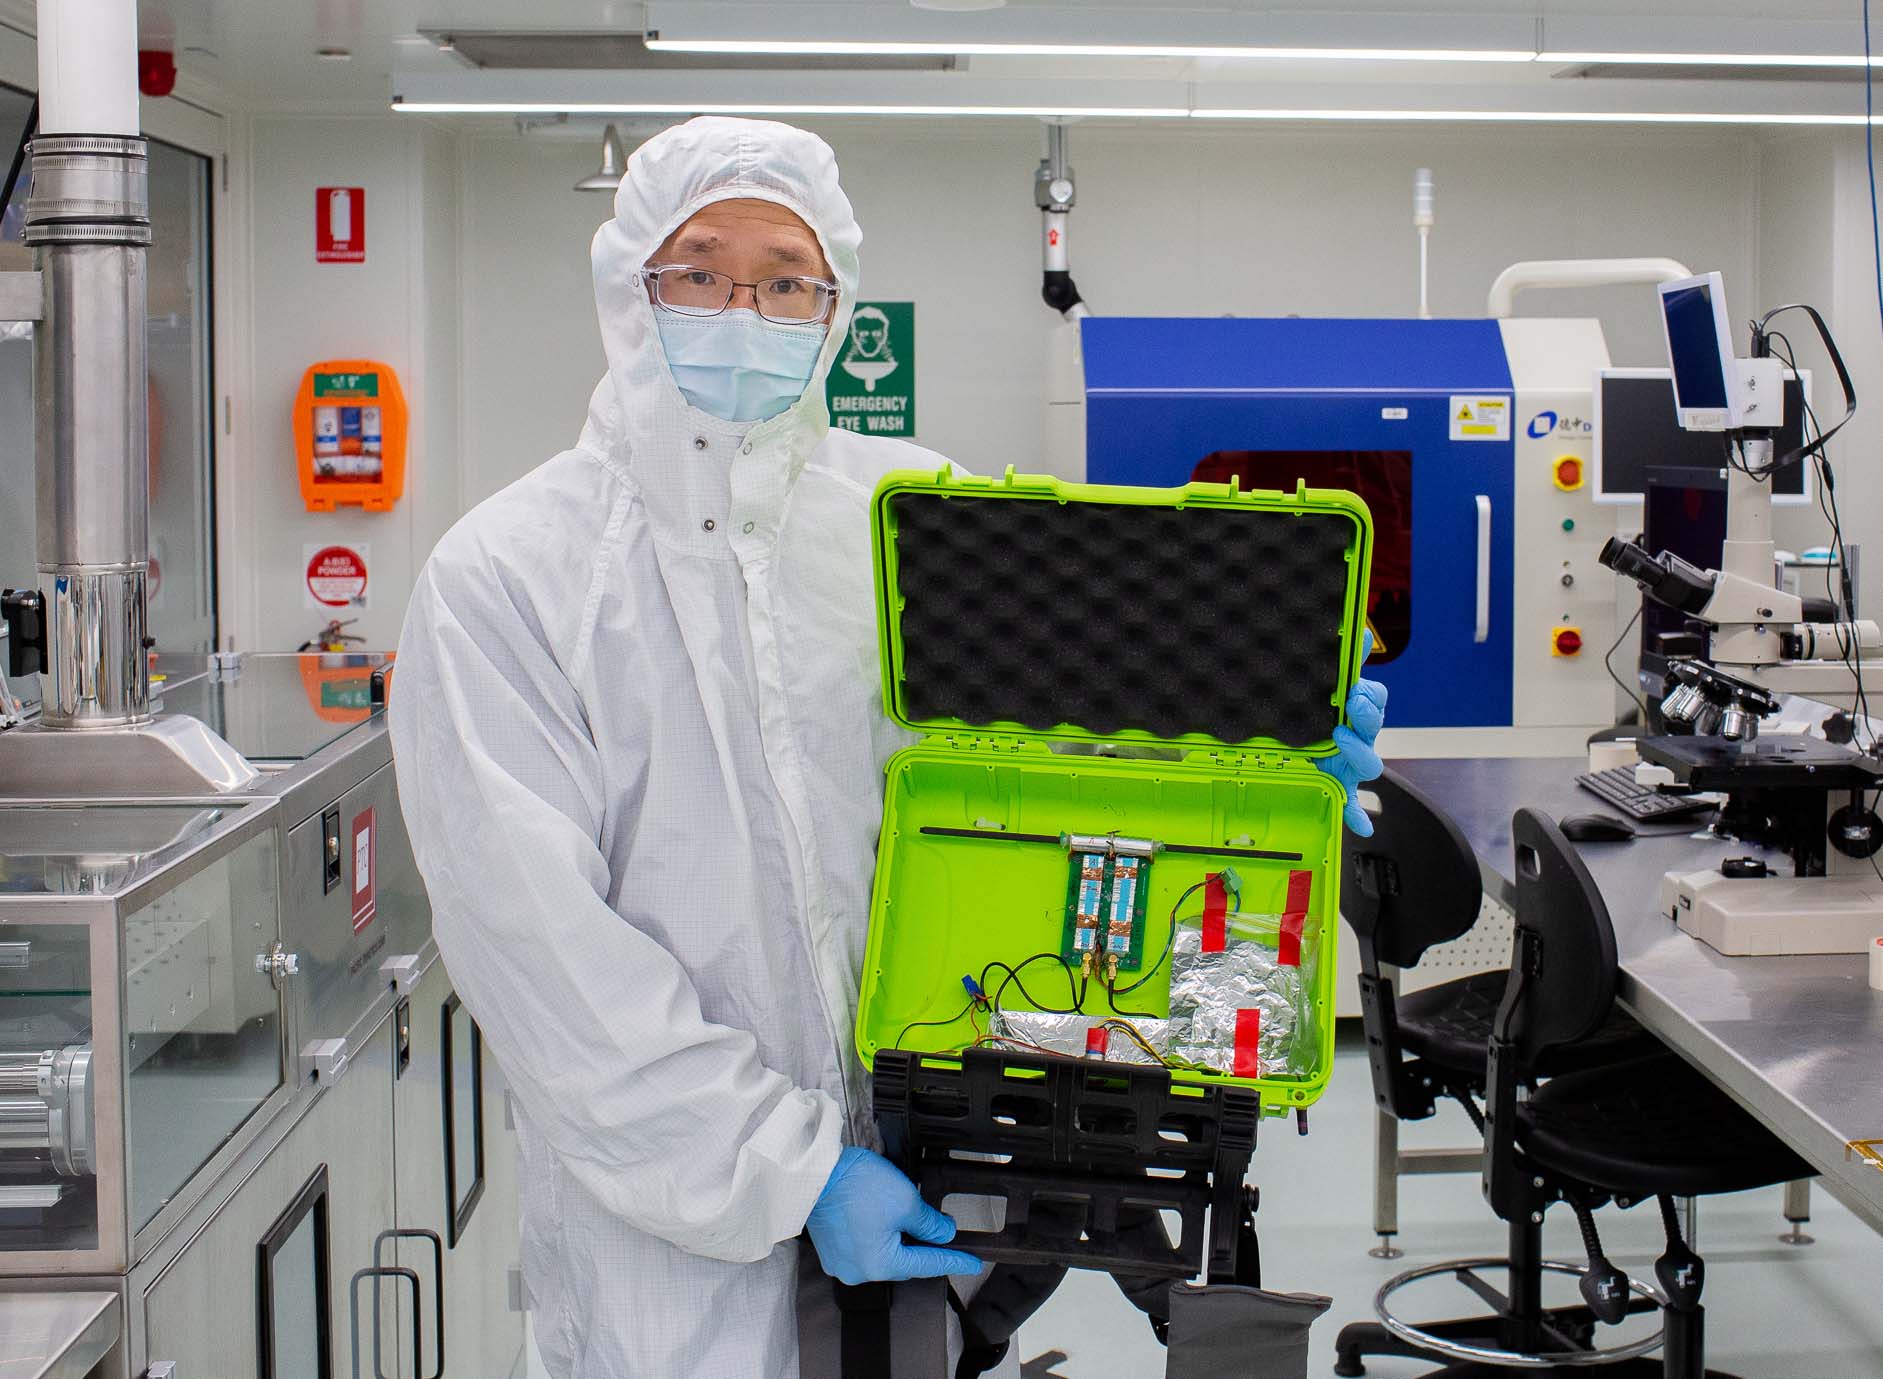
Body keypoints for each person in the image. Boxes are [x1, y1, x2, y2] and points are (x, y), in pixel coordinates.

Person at [390, 116, 1385, 1379]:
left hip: (937, 1163)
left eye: (785, 279)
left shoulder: (905, 515)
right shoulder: (509, 578)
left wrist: (1263, 753)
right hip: (670, 1239)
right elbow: (545, 957)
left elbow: (1043, 768)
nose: (741, 309)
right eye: (699, 270)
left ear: (832, 305)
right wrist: (790, 1169)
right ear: (626, 284)